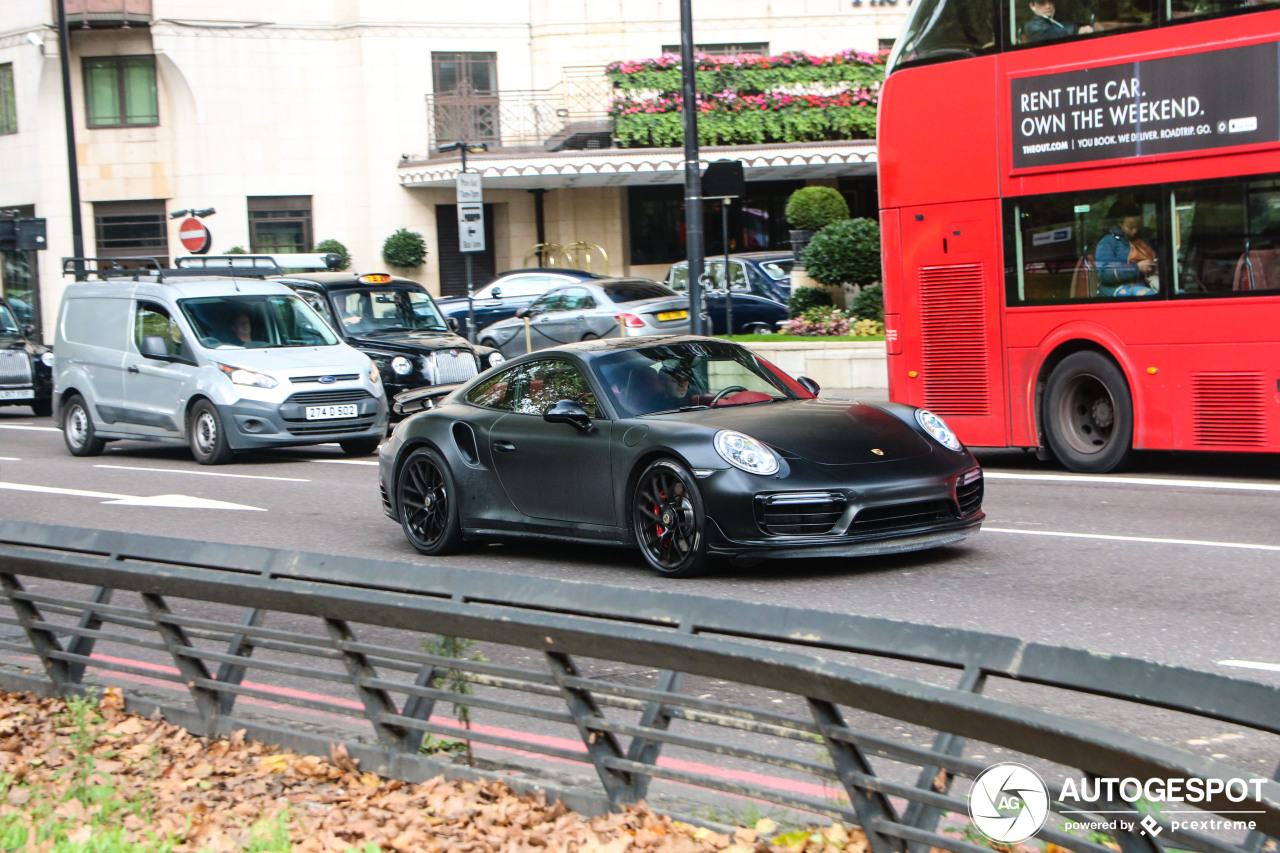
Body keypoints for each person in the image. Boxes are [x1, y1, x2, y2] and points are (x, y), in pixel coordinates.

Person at [1095, 202, 1158, 296]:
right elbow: (1104, 273)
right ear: (1119, 223)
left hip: (1144, 284)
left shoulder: (1140, 241)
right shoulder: (1108, 242)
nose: (1135, 231)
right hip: (1116, 288)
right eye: (1131, 227)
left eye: (1138, 226)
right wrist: (1136, 268)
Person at [1023, 0, 1093, 42]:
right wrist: (1077, 30)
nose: (1048, 6)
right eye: (1041, 3)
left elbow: (1070, 26)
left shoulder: (1058, 19)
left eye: (1050, 1)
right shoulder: (1031, 26)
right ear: (1032, 6)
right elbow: (1050, 35)